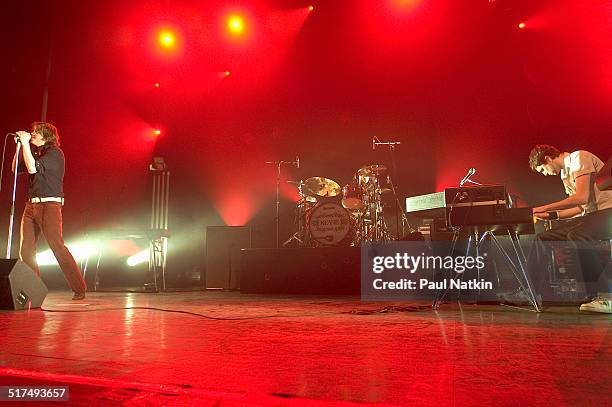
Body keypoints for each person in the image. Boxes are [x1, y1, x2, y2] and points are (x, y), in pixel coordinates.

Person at [528, 145, 612, 313]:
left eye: (543, 169)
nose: (545, 174)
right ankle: (530, 291)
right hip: (591, 216)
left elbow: (581, 197)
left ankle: (603, 296)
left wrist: (542, 208)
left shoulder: (579, 157)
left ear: (548, 159)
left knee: (578, 235)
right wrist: (547, 215)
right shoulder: (565, 175)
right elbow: (579, 209)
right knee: (543, 238)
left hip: (608, 211)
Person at [12, 122, 87, 300]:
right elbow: (15, 169)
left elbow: (32, 168)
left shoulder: (55, 153)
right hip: (31, 206)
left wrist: (24, 143)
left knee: (56, 246)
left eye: (35, 133)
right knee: (26, 250)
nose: (32, 135)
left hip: (49, 206)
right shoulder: (37, 153)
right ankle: (33, 289)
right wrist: (18, 147)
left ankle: (79, 287)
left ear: (45, 136)